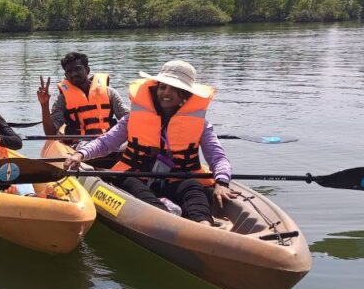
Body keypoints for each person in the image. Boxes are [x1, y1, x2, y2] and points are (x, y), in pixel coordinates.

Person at [63, 60, 237, 225]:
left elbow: (218, 158)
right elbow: (106, 143)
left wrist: (221, 183)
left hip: (176, 178)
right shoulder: (133, 119)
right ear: (155, 89)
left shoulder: (201, 125)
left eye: (174, 89)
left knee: (193, 187)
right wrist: (81, 154)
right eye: (162, 87)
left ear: (185, 95)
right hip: (135, 175)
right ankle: (166, 217)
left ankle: (203, 225)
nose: (165, 93)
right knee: (132, 185)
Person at [36, 51, 129, 138]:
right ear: (66, 76)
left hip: (108, 140)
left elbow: (127, 119)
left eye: (78, 69)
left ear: (87, 70)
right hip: (79, 143)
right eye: (69, 71)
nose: (73, 74)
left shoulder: (109, 92)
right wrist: (44, 105)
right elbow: (50, 133)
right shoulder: (62, 99)